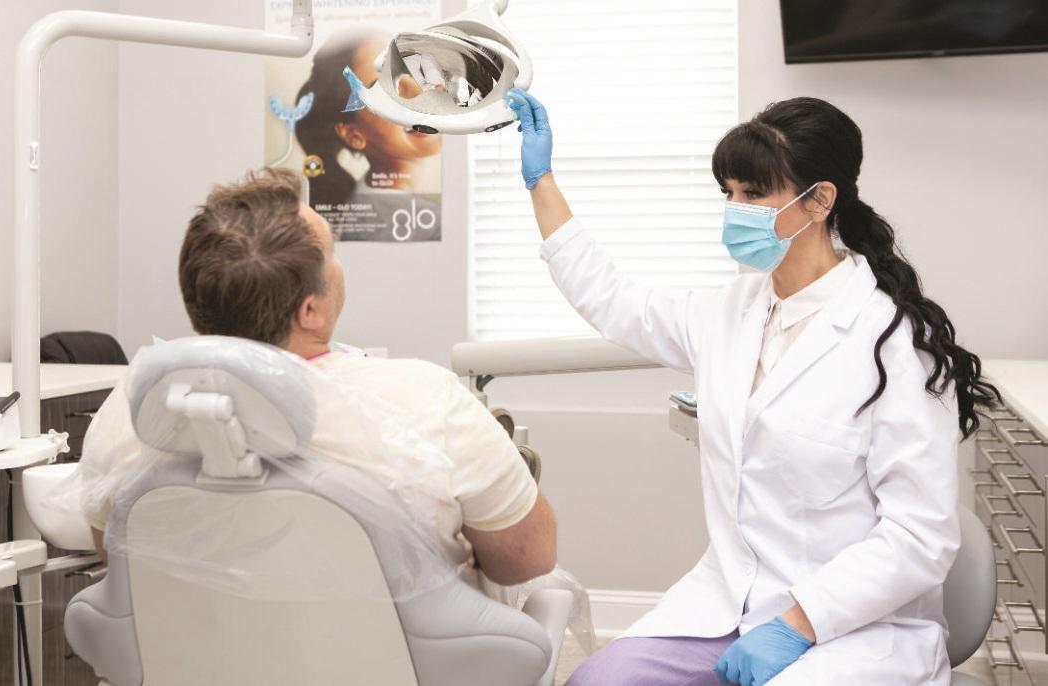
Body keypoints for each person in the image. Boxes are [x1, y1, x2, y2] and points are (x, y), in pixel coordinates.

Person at [505, 90, 1000, 685]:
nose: (735, 210)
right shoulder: (731, 312)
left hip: (855, 626)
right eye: (729, 193)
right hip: (728, 606)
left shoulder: (894, 343)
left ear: (820, 200)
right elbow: (613, 300)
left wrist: (798, 622)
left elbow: (919, 537)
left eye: (754, 193)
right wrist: (542, 183)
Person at [78, 168, 555, 591]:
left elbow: (117, 553)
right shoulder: (427, 401)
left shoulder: (139, 407)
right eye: (332, 253)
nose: (339, 266)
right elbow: (526, 560)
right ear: (310, 310)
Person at [294, 32, 442, 242]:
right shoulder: (395, 227)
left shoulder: (386, 202)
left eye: (411, 68)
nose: (417, 90)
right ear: (353, 135)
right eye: (384, 89)